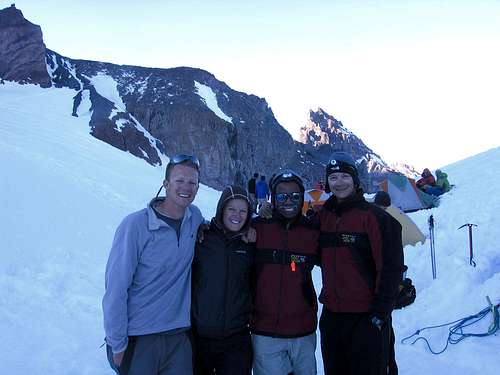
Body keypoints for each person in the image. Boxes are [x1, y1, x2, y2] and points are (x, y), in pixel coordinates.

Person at [102, 154, 204, 375]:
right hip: (140, 338)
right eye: (180, 180)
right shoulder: (136, 226)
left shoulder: (194, 218)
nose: (186, 187)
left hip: (178, 338)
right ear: (166, 184)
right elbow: (115, 289)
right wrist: (117, 343)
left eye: (192, 182)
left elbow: (223, 228)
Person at [318, 152, 404, 375]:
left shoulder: (376, 218)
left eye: (345, 176)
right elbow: (297, 235)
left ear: (355, 180)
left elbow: (391, 269)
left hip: (366, 317)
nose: (339, 182)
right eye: (333, 177)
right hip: (333, 318)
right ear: (327, 181)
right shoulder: (322, 217)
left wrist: (379, 315)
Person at [251, 170, 319, 375]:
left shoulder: (313, 232)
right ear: (273, 198)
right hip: (265, 332)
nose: (288, 201)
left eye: (295, 196)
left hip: (303, 330)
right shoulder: (257, 228)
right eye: (281, 196)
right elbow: (227, 231)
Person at [191, 185, 254, 375]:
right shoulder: (202, 238)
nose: (237, 215)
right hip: (200, 336)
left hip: (236, 338)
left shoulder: (250, 244)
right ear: (221, 210)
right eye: (231, 209)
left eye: (243, 211)